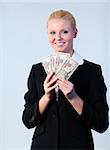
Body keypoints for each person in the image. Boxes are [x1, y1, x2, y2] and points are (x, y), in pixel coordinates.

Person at [22, 9, 109, 150]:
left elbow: (101, 124)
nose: (58, 37)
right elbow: (27, 121)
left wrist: (73, 97)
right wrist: (46, 97)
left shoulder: (92, 71)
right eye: (52, 32)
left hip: (78, 145)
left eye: (65, 32)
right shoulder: (37, 70)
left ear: (75, 33)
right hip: (42, 146)